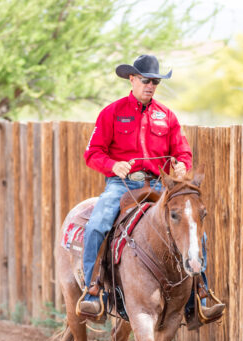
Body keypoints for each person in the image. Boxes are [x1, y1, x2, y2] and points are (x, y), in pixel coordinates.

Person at [78, 54, 224, 325]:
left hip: (160, 186)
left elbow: (182, 152)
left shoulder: (166, 116)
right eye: (145, 80)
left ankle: (200, 295)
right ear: (132, 79)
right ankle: (92, 290)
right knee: (97, 224)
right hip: (122, 185)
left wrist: (181, 166)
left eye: (155, 82)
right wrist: (113, 165)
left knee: (193, 230)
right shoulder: (112, 112)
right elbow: (92, 153)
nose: (150, 86)